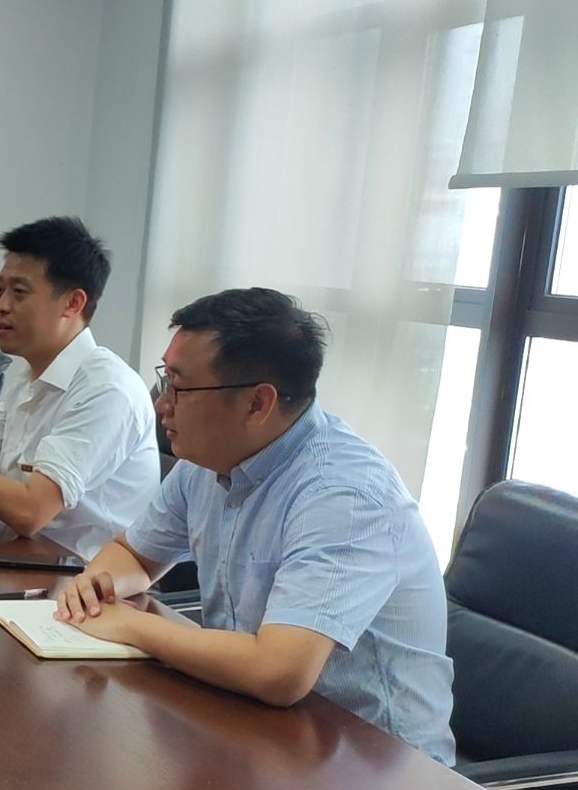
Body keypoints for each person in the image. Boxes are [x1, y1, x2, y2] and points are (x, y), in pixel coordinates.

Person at [54, 287, 455, 764]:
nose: (162, 404)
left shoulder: (344, 494)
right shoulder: (205, 460)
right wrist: (98, 588)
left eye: (181, 387)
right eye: (165, 378)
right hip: (258, 727)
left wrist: (131, 626)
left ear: (257, 404)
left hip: (377, 770)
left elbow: (279, 672)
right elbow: (135, 554)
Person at [0, 216, 160, 559]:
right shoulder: (30, 376)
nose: (1, 305)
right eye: (0, 290)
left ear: (73, 303)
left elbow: (30, 513)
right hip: (16, 558)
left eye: (19, 292)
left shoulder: (108, 390)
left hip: (74, 577)